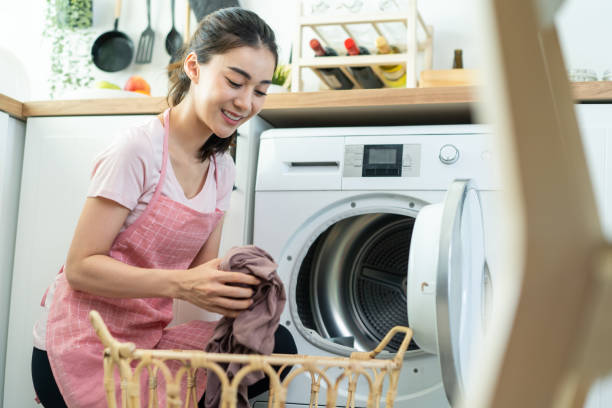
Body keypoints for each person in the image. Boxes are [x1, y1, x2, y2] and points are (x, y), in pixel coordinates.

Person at [31, 7, 296, 408]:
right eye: (235, 82)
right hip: (83, 346)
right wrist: (183, 285)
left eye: (259, 90)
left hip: (148, 344)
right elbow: (82, 267)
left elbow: (198, 278)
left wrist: (244, 284)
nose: (245, 102)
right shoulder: (136, 150)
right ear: (194, 67)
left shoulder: (222, 170)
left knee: (276, 346)